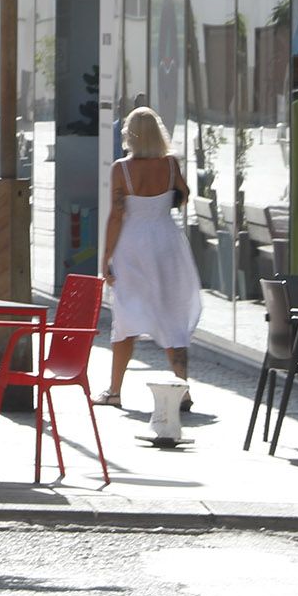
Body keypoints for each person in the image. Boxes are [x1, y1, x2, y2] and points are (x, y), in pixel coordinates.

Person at [100, 106, 201, 408]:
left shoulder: (121, 169)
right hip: (167, 242)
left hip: (133, 245)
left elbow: (117, 216)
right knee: (173, 316)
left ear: (130, 135)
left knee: (126, 314)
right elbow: (183, 196)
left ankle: (115, 391)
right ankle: (182, 389)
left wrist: (106, 258)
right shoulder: (170, 164)